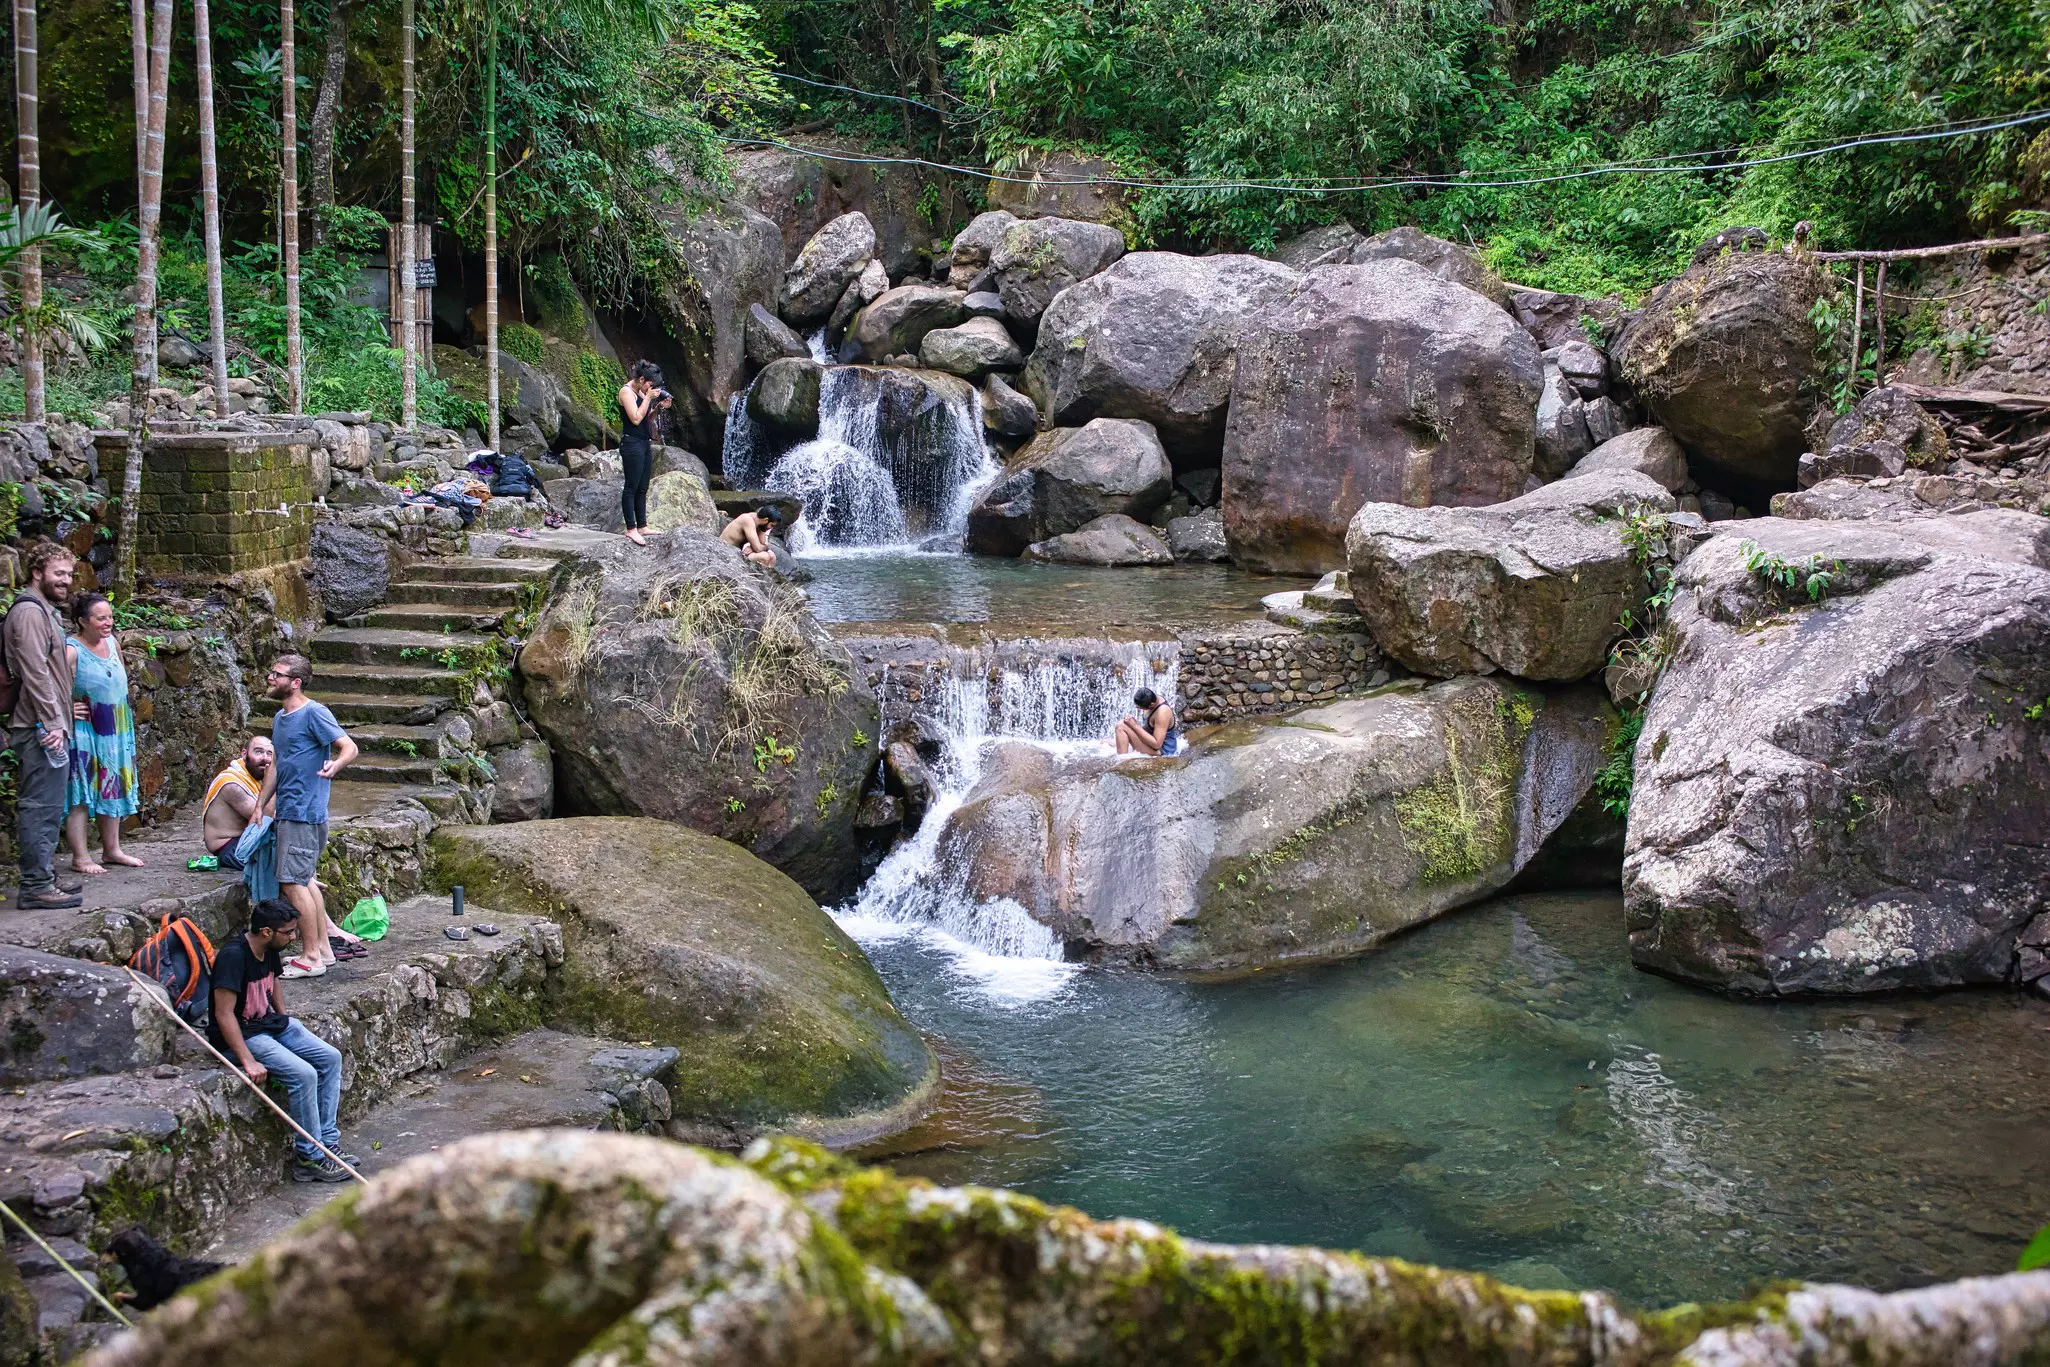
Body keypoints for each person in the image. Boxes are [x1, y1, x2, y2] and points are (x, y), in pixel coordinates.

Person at [210, 898, 357, 1183]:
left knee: (330, 1058)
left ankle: (326, 1142)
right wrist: (247, 1061)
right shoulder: (233, 957)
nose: (294, 936)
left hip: (269, 1024)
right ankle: (309, 1157)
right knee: (303, 1074)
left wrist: (284, 1018)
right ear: (266, 931)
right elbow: (223, 1014)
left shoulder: (269, 948)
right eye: (289, 932)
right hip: (243, 1034)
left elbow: (273, 980)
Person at [255, 654, 359, 977]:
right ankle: (324, 952)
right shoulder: (280, 718)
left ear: (295, 682)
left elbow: (349, 747)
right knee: (304, 881)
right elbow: (276, 765)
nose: (270, 677)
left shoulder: (314, 713)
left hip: (304, 813)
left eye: (277, 674)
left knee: (292, 882)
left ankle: (311, 956)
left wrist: (335, 765)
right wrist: (260, 804)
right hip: (289, 810)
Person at [5, 542, 83, 909]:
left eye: (69, 574)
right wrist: (53, 721)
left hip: (51, 724)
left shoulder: (44, 611)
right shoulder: (29, 613)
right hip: (38, 727)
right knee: (40, 806)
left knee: (51, 806)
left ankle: (44, 876)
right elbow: (35, 672)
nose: (66, 580)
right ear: (38, 573)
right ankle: (35, 885)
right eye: (58, 573)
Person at [62, 593, 143, 874]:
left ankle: (112, 850)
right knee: (82, 791)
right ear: (83, 621)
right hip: (85, 729)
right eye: (101, 618)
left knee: (114, 784)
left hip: (116, 727)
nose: (108, 622)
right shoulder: (71, 650)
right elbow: (49, 687)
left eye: (109, 616)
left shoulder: (112, 643)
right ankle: (81, 857)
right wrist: (65, 708)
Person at [616, 360, 673, 548]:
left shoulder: (641, 392)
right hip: (631, 443)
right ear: (641, 379)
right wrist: (648, 398)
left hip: (643, 442)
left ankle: (642, 526)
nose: (652, 388)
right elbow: (634, 419)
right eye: (650, 384)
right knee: (631, 486)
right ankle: (630, 528)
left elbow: (646, 419)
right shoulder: (626, 392)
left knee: (643, 487)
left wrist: (658, 408)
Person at [201, 735, 275, 870]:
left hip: (246, 838)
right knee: (275, 869)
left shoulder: (254, 777)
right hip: (228, 846)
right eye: (258, 752)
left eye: (269, 754)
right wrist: (273, 782)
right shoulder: (231, 784)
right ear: (244, 754)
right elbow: (264, 820)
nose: (265, 758)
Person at [1113, 687, 1182, 757]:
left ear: (1151, 705)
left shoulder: (1162, 713)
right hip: (1150, 744)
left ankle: (1122, 761)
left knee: (1121, 726)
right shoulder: (1152, 698)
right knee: (1105, 742)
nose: (1138, 708)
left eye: (1140, 707)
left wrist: (1135, 726)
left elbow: (1157, 744)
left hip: (1163, 751)